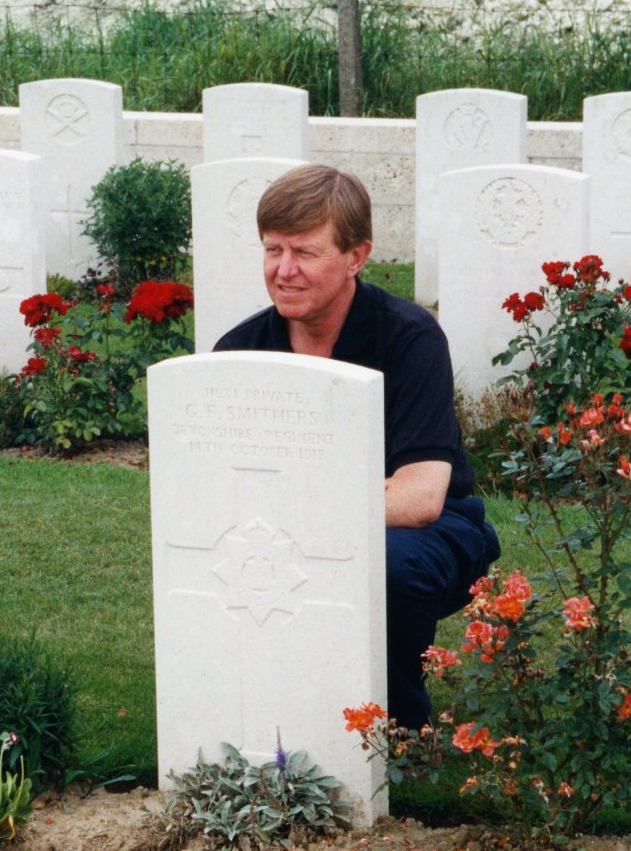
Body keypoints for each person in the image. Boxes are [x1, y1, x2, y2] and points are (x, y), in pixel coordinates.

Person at [213, 164, 500, 730]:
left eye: (306, 252)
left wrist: (296, 517)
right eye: (273, 250)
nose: (284, 270)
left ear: (356, 256)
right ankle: (255, 714)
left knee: (384, 567)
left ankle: (395, 725)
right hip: (291, 520)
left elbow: (418, 498)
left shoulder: (410, 338)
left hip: (430, 530)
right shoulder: (239, 350)